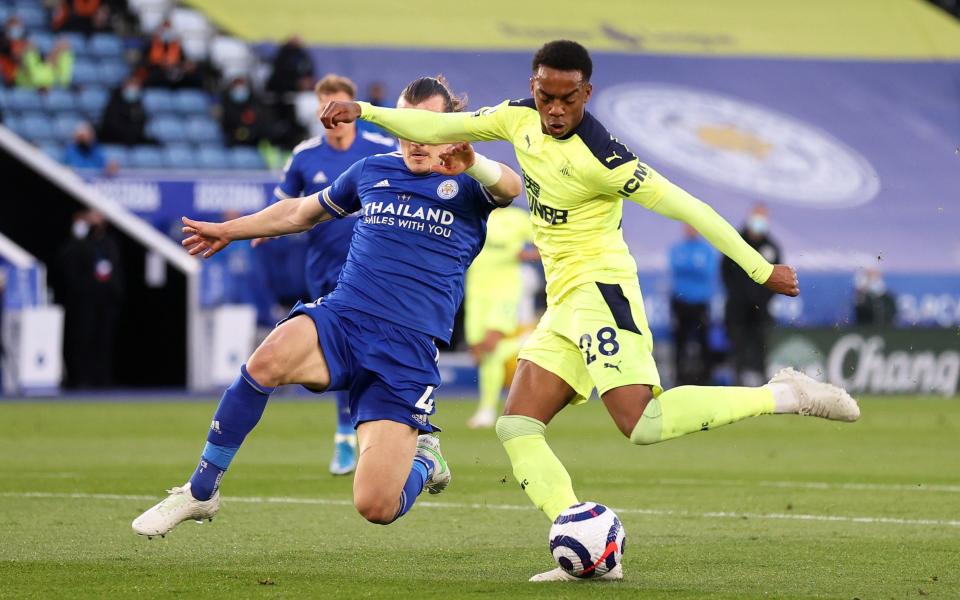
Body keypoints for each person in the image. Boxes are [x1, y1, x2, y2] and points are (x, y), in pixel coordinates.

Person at [320, 39, 860, 581]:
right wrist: (363, 111)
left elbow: (690, 206)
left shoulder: (607, 160)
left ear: (586, 93)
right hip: (563, 302)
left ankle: (786, 394)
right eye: (546, 96)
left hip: (602, 291)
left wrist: (760, 269)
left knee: (642, 423)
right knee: (517, 426)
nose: (555, 110)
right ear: (534, 87)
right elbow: (437, 128)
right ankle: (584, 542)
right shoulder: (515, 119)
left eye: (568, 99)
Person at [131, 76, 522, 538]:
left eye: (428, 128)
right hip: (345, 317)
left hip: (407, 349)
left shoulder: (471, 181)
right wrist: (229, 231)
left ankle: (425, 460)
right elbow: (300, 212)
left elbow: (510, 186)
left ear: (451, 129)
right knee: (266, 359)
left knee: (376, 505)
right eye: (405, 129)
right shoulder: (373, 169)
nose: (415, 141)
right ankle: (200, 491)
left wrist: (472, 161)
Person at [265, 73, 396, 475]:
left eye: (340, 109)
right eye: (326, 109)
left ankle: (387, 436)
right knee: (340, 356)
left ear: (353, 109)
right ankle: (346, 434)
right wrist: (260, 230)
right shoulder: (305, 156)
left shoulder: (381, 151)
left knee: (378, 355)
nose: (334, 117)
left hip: (375, 271)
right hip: (324, 271)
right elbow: (284, 206)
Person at [464, 205, 537, 428]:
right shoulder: (474, 212)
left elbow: (548, 242)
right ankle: (523, 341)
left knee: (490, 346)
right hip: (476, 292)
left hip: (504, 291)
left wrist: (525, 254)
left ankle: (487, 410)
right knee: (479, 353)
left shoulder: (519, 218)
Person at [56, 210, 123, 388]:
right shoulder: (78, 244)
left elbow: (115, 271)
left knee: (104, 341)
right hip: (84, 301)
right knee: (82, 339)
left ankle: (103, 379)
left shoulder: (109, 243)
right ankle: (81, 379)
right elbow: (69, 266)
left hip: (106, 301)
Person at [721, 203, 781, 387]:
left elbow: (778, 277)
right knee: (737, 345)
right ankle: (737, 380)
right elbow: (725, 273)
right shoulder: (735, 242)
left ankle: (763, 382)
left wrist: (762, 300)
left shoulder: (772, 247)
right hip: (737, 308)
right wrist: (739, 296)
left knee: (761, 346)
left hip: (761, 309)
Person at [669, 224, 717, 386]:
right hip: (680, 302)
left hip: (700, 302)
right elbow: (676, 268)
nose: (690, 230)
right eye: (687, 227)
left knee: (704, 341)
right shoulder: (677, 248)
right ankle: (679, 377)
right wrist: (695, 267)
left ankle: (706, 378)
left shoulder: (707, 250)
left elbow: (708, 272)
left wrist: (688, 268)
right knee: (679, 341)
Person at [99, 76, 153, 146]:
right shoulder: (114, 103)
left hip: (134, 140)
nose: (134, 89)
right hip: (115, 140)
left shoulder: (138, 104)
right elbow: (111, 124)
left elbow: (141, 122)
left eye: (136, 86)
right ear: (124, 87)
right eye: (132, 86)